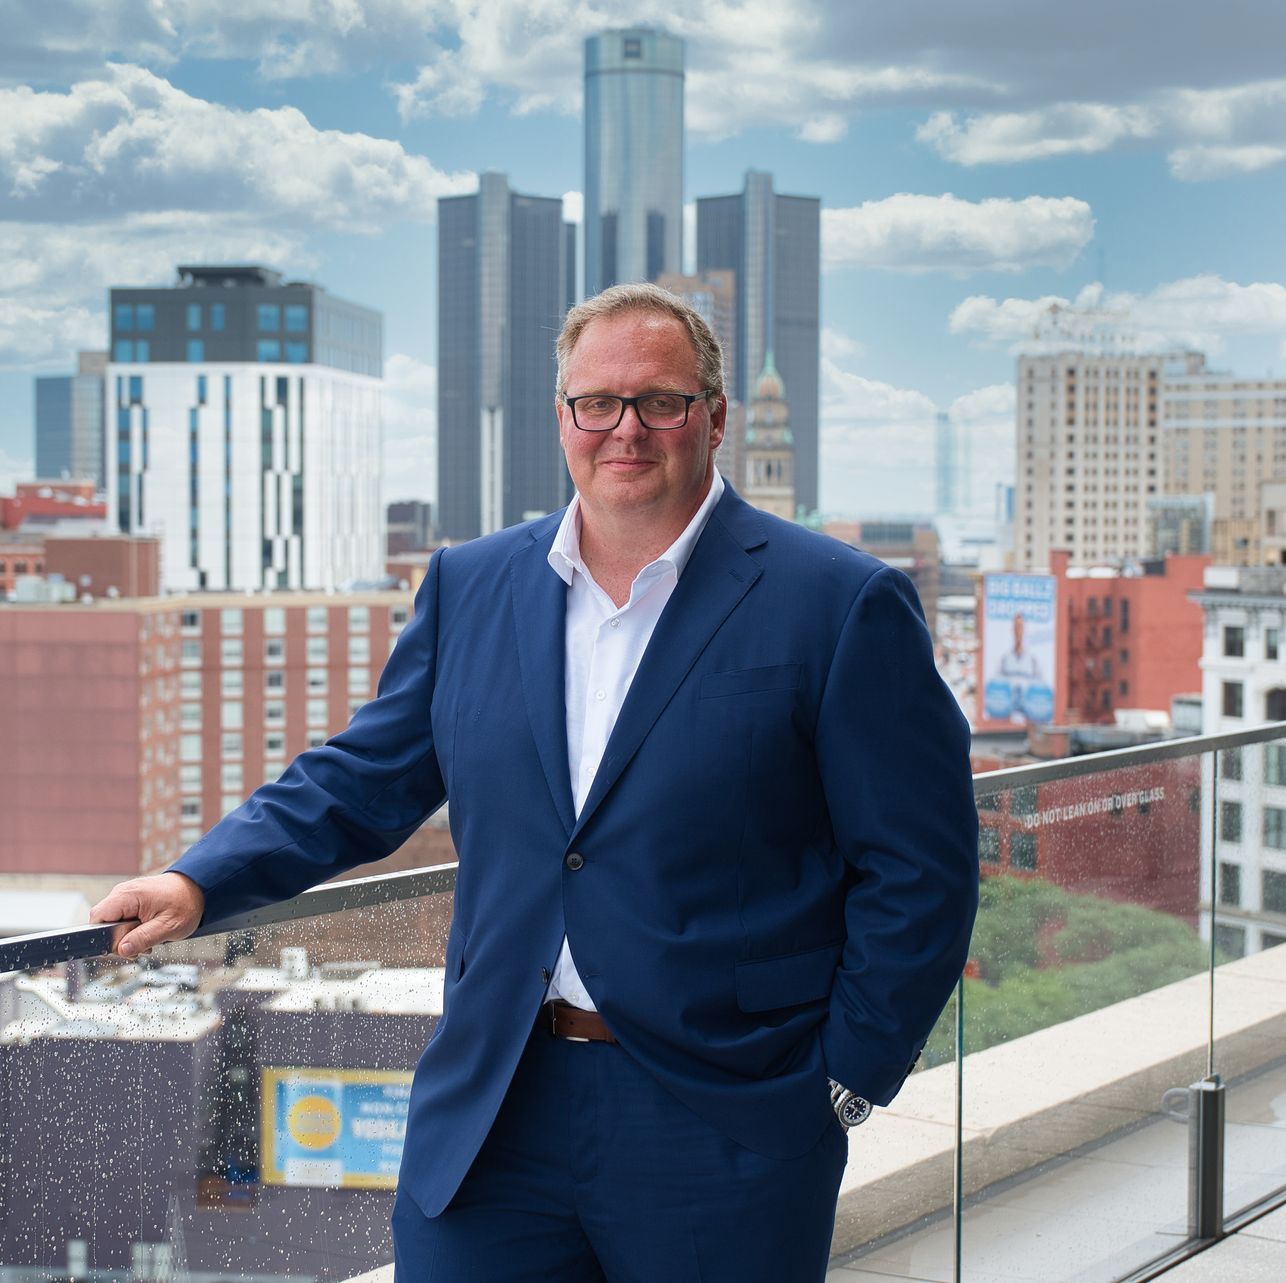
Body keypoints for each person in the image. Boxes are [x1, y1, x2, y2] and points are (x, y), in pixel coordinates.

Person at [91, 283, 979, 1282]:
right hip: (496, 1102)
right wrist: (200, 879)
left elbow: (921, 868)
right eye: (596, 402)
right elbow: (362, 775)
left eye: (661, 401)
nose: (625, 428)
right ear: (561, 418)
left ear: (715, 417)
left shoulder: (839, 602)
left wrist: (844, 1080)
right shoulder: (473, 583)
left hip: (723, 1110)